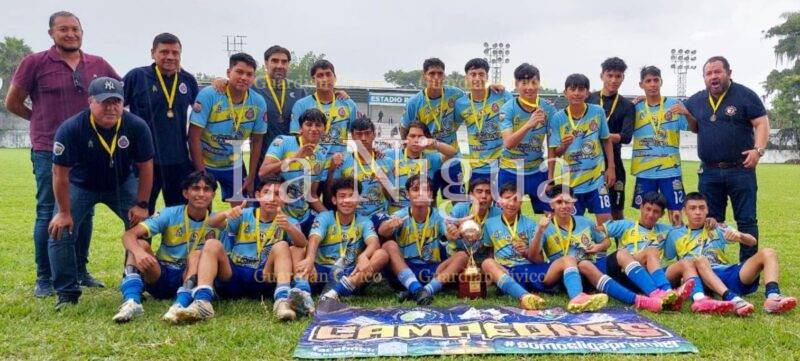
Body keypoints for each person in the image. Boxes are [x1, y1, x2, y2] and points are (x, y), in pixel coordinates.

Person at [6, 11, 120, 296]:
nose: (71, 34)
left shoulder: (97, 63)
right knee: (49, 211)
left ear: (82, 32)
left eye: (75, 29)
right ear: (51, 34)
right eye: (63, 29)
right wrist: (39, 120)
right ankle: (45, 278)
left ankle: (80, 270)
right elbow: (13, 102)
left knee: (85, 212)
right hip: (49, 149)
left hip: (90, 151)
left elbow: (121, 90)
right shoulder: (34, 63)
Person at [48, 77, 154, 310]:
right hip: (81, 184)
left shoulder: (136, 126)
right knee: (60, 230)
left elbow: (146, 167)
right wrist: (64, 212)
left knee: (143, 229)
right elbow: (59, 174)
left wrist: (142, 204)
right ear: (90, 102)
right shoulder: (71, 128)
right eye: (104, 102)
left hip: (121, 185)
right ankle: (66, 293)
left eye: (116, 102)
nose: (111, 107)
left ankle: (133, 282)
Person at [677, 56, 770, 262]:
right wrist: (637, 102)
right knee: (710, 220)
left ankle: (748, 268)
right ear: (704, 78)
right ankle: (713, 263)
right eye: (709, 74)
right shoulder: (698, 99)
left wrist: (758, 150)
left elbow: (762, 123)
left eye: (718, 72)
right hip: (709, 171)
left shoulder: (745, 95)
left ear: (729, 73)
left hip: (740, 169)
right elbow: (676, 110)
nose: (713, 77)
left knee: (746, 220)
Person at [179, 175, 307, 322]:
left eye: (278, 194)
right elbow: (211, 223)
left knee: (282, 245)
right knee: (212, 244)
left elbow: (302, 244)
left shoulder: (289, 221)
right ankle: (202, 302)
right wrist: (226, 213)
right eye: (266, 192)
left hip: (264, 277)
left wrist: (289, 228)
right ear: (258, 196)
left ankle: (282, 301)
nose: (271, 198)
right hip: (234, 274)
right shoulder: (244, 214)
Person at [530, 187, 663, 313]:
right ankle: (637, 300)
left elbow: (606, 242)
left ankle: (655, 293)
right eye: (559, 202)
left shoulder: (585, 222)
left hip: (591, 269)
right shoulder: (544, 227)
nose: (564, 206)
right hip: (566, 275)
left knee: (621, 253)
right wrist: (539, 232)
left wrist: (597, 247)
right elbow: (533, 256)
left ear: (573, 204)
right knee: (573, 261)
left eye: (567, 202)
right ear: (551, 205)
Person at [665, 192, 796, 315]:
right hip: (699, 278)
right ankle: (731, 298)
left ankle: (773, 297)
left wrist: (740, 236)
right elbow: (669, 258)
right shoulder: (675, 233)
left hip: (725, 272)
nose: (697, 212)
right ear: (684, 211)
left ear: (707, 210)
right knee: (700, 260)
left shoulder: (716, 227)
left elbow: (752, 241)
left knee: (768, 252)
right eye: (692, 208)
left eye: (701, 208)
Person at [112, 171, 217, 323]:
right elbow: (128, 235)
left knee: (198, 255)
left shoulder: (218, 222)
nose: (201, 194)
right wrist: (139, 253)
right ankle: (132, 302)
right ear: (185, 193)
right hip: (161, 275)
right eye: (195, 188)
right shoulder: (169, 214)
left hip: (190, 276)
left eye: (206, 189)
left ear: (213, 195)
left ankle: (179, 305)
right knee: (140, 244)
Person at [123, 33, 199, 215]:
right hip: (144, 161)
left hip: (179, 161)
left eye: (175, 52)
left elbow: (202, 115)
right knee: (141, 215)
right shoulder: (137, 76)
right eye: (164, 52)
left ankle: (174, 245)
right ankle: (140, 245)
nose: (170, 57)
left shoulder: (188, 80)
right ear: (152, 53)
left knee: (179, 216)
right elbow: (115, 109)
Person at [293, 178, 389, 313]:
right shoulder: (325, 217)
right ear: (334, 200)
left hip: (350, 274)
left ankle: (335, 293)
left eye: (351, 196)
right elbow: (314, 239)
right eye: (342, 196)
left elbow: (374, 243)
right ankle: (302, 293)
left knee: (382, 254)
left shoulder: (364, 221)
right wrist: (309, 259)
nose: (347, 201)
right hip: (323, 272)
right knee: (296, 249)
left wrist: (364, 256)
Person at [189, 52, 267, 204]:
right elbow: (193, 136)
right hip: (205, 163)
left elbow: (257, 141)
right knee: (200, 208)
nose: (244, 77)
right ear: (228, 72)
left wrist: (251, 176)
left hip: (234, 165)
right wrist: (200, 173)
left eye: (249, 74)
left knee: (243, 211)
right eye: (239, 72)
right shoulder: (210, 94)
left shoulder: (258, 102)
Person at [378, 175, 465, 305]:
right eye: (415, 189)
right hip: (405, 269)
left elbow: (448, 230)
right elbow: (381, 231)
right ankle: (416, 288)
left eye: (425, 190)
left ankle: (423, 291)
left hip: (432, 271)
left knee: (462, 256)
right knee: (389, 245)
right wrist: (390, 225)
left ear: (431, 195)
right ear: (407, 194)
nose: (420, 193)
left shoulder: (439, 215)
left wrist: (451, 233)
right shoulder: (401, 214)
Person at [547, 74, 615, 225]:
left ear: (587, 93)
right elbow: (555, 152)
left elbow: (606, 140)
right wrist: (564, 146)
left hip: (597, 179)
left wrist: (611, 167)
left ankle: (604, 249)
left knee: (605, 223)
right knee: (573, 225)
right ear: (565, 92)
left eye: (581, 89)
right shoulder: (558, 118)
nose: (577, 93)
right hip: (572, 183)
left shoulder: (597, 112)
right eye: (572, 89)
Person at [400, 58, 466, 200]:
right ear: (424, 76)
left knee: (457, 200)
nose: (436, 77)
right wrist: (409, 151)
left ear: (444, 75)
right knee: (428, 200)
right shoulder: (414, 102)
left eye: (440, 73)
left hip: (450, 156)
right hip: (427, 160)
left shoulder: (456, 94)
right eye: (432, 73)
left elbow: (475, 101)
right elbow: (404, 128)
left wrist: (491, 89)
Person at [631, 66, 688, 226]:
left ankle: (679, 246)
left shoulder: (674, 105)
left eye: (656, 80)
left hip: (670, 169)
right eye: (648, 81)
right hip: (645, 170)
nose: (653, 84)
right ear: (641, 84)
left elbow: (690, 126)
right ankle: (646, 246)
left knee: (676, 213)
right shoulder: (635, 108)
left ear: (661, 81)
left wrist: (687, 113)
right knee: (646, 213)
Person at [478, 183, 550, 310]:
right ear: (499, 201)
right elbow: (490, 251)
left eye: (516, 199)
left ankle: (521, 293)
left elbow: (539, 260)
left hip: (528, 270)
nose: (511, 204)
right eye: (507, 198)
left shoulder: (531, 224)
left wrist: (526, 253)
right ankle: (525, 296)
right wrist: (489, 275)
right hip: (507, 272)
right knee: (487, 263)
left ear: (521, 202)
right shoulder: (489, 224)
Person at [498, 63, 558, 214]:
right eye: (524, 83)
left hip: (537, 171)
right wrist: (530, 123)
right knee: (508, 215)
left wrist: (550, 178)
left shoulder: (549, 109)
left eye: (533, 82)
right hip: (510, 170)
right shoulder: (507, 108)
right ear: (516, 84)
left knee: (550, 215)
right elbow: (508, 143)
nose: (529, 87)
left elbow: (552, 146)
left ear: (539, 83)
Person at [260, 108, 329, 235]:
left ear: (324, 130)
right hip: (279, 214)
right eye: (309, 124)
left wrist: (329, 216)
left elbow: (312, 195)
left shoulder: (322, 155)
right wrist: (294, 158)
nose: (313, 128)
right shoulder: (283, 142)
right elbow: (263, 172)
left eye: (318, 125)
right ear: (300, 128)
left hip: (303, 215)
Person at [289, 59, 358, 186]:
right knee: (307, 204)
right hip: (310, 168)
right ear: (313, 80)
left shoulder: (349, 104)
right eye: (320, 75)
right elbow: (295, 138)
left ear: (335, 77)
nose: (325, 79)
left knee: (335, 204)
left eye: (328, 74)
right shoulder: (301, 104)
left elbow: (357, 136)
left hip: (338, 167)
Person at [586, 57, 634, 220]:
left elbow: (626, 137)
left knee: (616, 211)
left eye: (618, 76)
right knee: (578, 208)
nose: (614, 80)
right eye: (610, 75)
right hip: (587, 162)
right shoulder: (589, 99)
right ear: (602, 76)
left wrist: (600, 136)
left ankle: (620, 246)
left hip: (613, 165)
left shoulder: (627, 105)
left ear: (623, 78)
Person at [454, 58, 513, 184]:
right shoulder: (460, 104)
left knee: (503, 203)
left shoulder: (503, 96)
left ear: (487, 77)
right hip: (477, 166)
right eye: (473, 74)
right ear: (466, 78)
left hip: (503, 164)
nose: (477, 78)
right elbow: (451, 130)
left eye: (481, 74)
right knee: (478, 203)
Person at [330, 118, 394, 229]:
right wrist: (331, 169)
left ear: (374, 134)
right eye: (359, 134)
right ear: (353, 137)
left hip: (378, 215)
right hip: (352, 215)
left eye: (367, 133)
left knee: (390, 244)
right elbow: (332, 193)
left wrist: (385, 185)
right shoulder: (343, 162)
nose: (363, 138)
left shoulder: (386, 161)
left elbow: (393, 197)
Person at [387, 120, 457, 214]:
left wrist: (436, 144)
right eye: (412, 136)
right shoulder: (390, 155)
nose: (416, 140)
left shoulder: (432, 159)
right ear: (406, 138)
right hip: (396, 212)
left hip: (422, 213)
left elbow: (452, 153)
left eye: (420, 137)